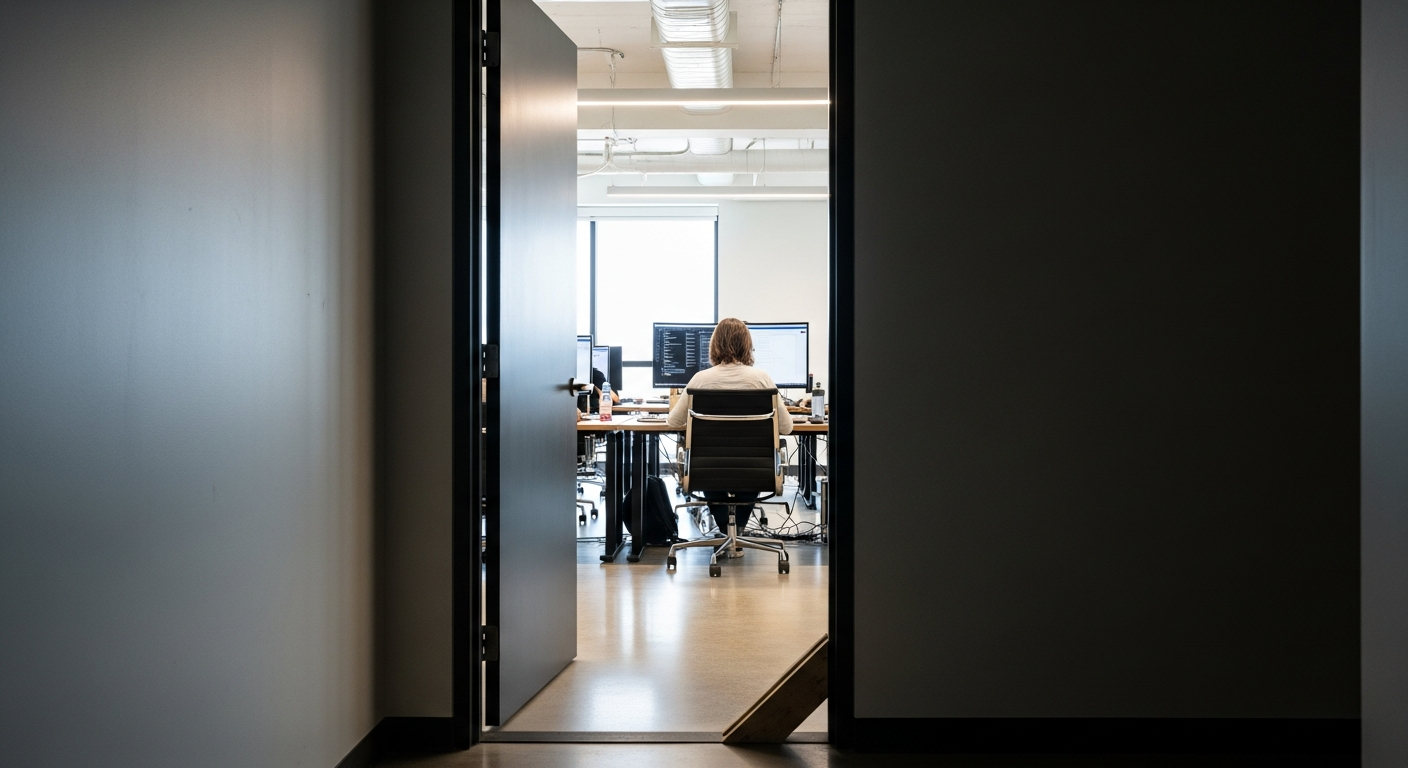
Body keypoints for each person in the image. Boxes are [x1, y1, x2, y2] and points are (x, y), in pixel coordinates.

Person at [667, 317, 793, 535]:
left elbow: (674, 422)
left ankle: (727, 529)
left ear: (714, 345)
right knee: (747, 470)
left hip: (708, 470)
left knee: (712, 469)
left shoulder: (700, 380)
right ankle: (737, 529)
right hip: (755, 471)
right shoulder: (762, 379)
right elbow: (786, 427)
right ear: (748, 346)